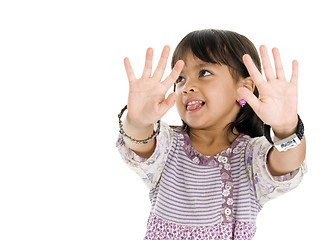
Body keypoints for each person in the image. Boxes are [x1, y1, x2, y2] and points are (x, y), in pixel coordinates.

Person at [116, 29, 307, 240]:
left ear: (244, 87)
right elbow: (140, 142)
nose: (187, 87)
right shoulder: (168, 146)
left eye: (204, 73)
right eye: (180, 78)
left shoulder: (251, 157)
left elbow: (287, 163)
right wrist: (138, 121)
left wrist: (287, 128)